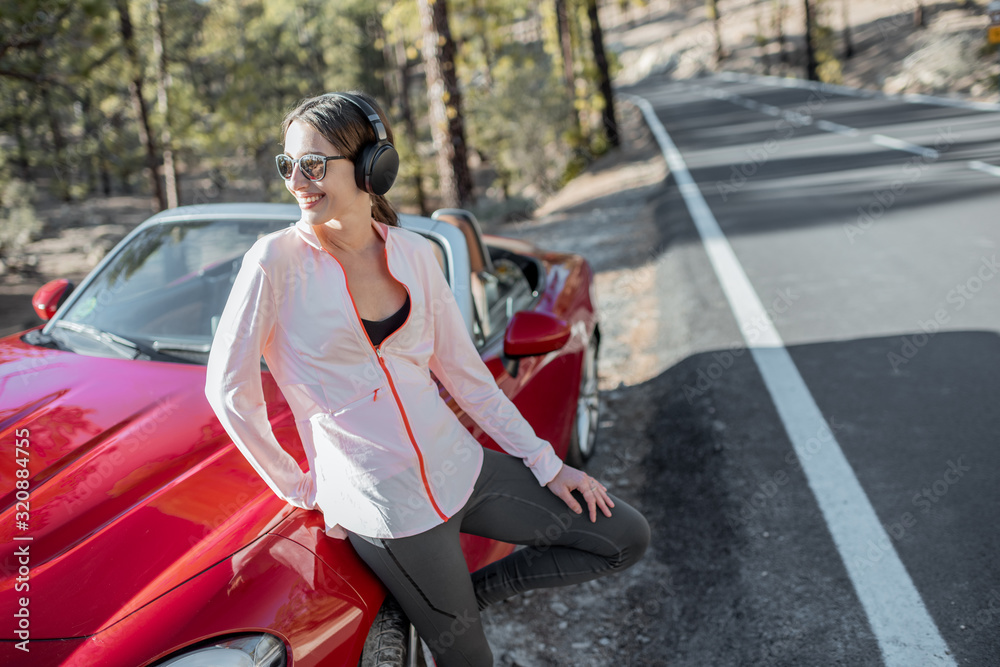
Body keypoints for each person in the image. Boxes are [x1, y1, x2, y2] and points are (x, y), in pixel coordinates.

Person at [204, 91, 650, 666]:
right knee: (472, 662)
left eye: (313, 164)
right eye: (286, 164)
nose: (297, 180)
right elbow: (229, 389)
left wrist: (548, 464)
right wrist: (302, 489)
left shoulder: (416, 253)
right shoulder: (274, 262)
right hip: (388, 508)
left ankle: (461, 599)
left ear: (372, 168)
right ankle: (442, 608)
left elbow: (469, 379)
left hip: (462, 468)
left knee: (621, 536)